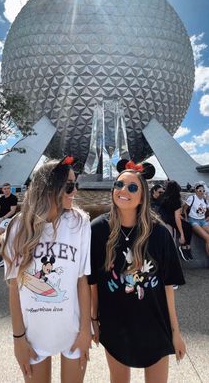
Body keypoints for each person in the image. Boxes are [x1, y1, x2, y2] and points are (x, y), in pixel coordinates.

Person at [89, 159, 186, 383]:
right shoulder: (97, 230)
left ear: (143, 196)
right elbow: (92, 281)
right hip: (115, 324)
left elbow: (168, 286)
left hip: (155, 324)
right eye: (119, 185)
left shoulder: (160, 233)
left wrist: (175, 332)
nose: (123, 191)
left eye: (132, 187)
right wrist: (93, 320)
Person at [1, 157, 91, 383]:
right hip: (32, 335)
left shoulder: (80, 222)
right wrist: (18, 338)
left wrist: (84, 330)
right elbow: (14, 286)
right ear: (49, 187)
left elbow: (82, 280)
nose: (75, 191)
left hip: (72, 331)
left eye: (75, 184)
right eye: (69, 186)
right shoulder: (18, 227)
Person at [159, 180, 193, 261]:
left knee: (187, 226)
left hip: (163, 217)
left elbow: (168, 210)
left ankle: (187, 246)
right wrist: (182, 235)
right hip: (170, 219)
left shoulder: (163, 196)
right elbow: (177, 218)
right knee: (187, 227)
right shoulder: (176, 200)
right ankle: (184, 246)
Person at [182, 182, 209, 255]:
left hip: (203, 221)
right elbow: (184, 208)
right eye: (200, 190)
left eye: (203, 191)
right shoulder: (192, 198)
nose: (202, 192)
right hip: (194, 220)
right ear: (196, 191)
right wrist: (186, 218)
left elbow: (207, 209)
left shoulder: (204, 199)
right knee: (207, 238)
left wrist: (207, 218)